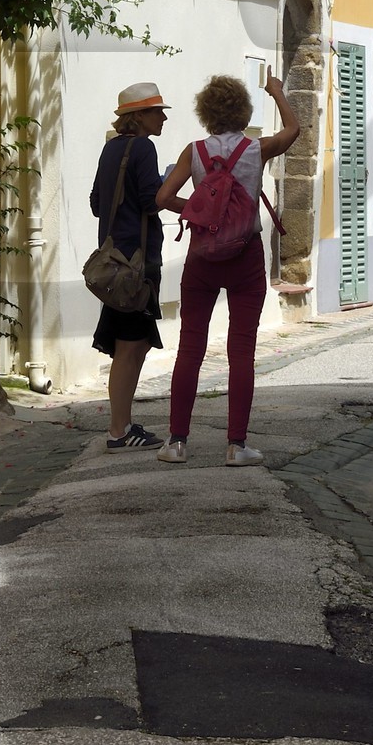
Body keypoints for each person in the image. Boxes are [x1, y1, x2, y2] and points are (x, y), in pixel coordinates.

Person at [154, 70, 302, 466]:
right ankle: (236, 446)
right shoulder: (257, 149)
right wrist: (276, 92)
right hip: (245, 257)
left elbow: (163, 196)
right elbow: (294, 129)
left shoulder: (194, 151)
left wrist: (199, 211)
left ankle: (177, 443)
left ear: (206, 113)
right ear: (242, 110)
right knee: (241, 352)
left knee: (190, 349)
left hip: (202, 256)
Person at [89, 80, 171, 451]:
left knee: (133, 346)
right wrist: (168, 185)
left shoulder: (112, 149)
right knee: (129, 347)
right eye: (157, 111)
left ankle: (121, 424)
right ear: (138, 116)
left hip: (114, 261)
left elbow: (96, 202)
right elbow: (151, 201)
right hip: (135, 266)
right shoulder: (143, 148)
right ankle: (118, 430)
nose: (162, 118)